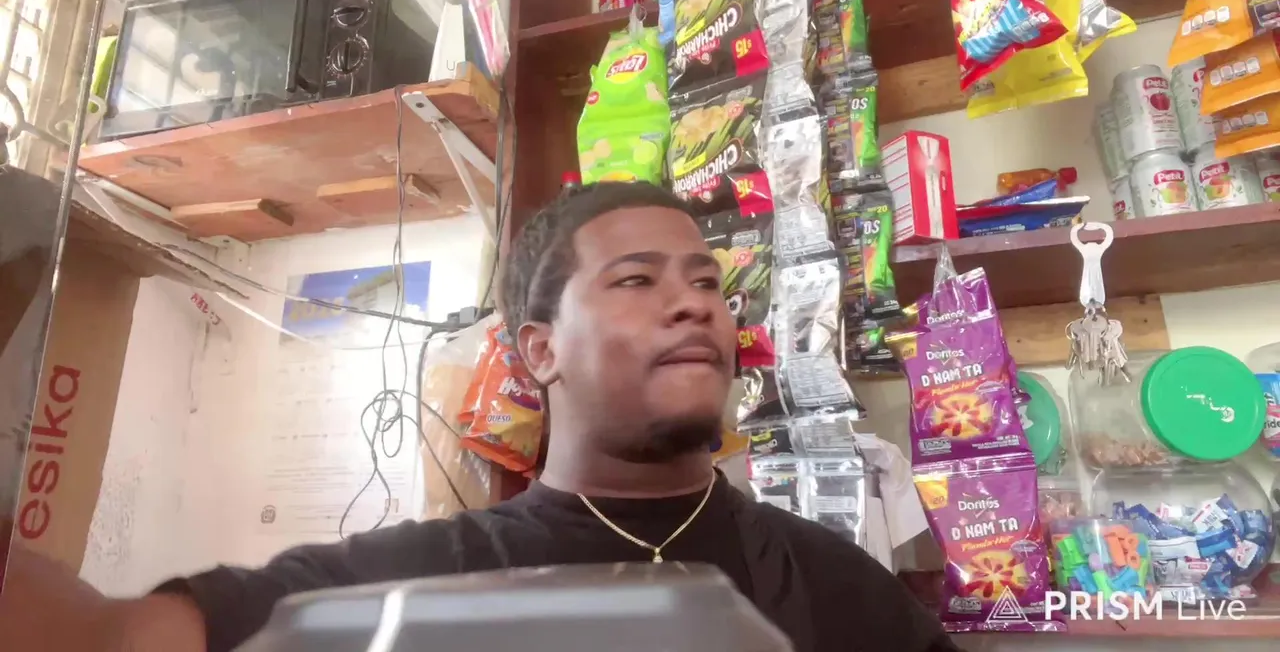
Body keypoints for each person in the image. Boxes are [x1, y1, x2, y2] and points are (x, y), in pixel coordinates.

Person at [0, 182, 958, 652]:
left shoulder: (837, 588)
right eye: (638, 280)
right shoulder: (414, 581)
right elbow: (118, 639)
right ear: (539, 351)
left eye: (708, 282)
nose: (695, 305)